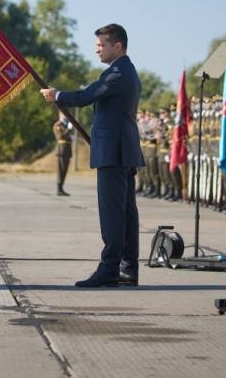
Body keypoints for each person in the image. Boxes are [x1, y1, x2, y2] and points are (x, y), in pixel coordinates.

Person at [40, 23, 144, 288]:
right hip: (122, 150)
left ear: (117, 46)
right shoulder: (124, 71)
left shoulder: (117, 73)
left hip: (113, 152)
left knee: (113, 214)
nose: (97, 50)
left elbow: (87, 96)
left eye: (101, 45)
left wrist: (57, 95)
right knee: (126, 213)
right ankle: (128, 268)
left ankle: (109, 269)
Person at [53, 110, 74, 196]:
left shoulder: (65, 125)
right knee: (60, 170)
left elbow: (67, 136)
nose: (65, 116)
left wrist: (71, 137)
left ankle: (61, 188)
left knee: (64, 170)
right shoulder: (57, 125)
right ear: (60, 115)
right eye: (63, 114)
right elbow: (60, 136)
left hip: (67, 150)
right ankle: (59, 189)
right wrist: (68, 129)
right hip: (61, 150)